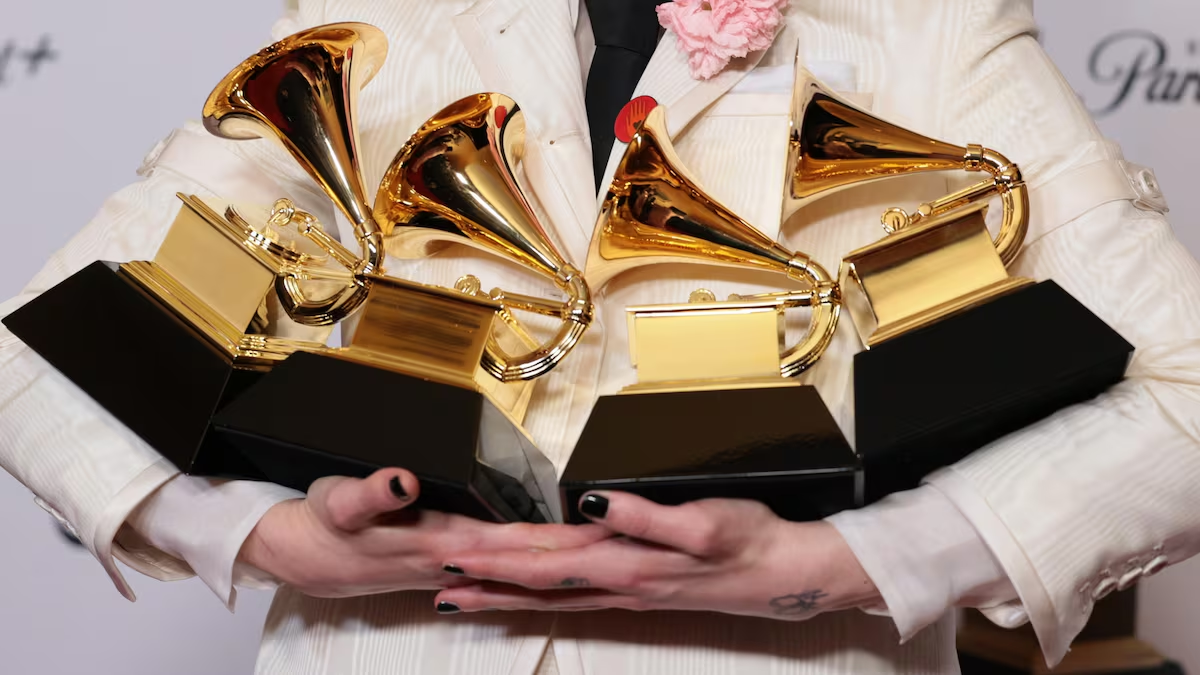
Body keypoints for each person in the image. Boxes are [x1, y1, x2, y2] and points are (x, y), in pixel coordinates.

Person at [3, 1, 1200, 673]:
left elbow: (1189, 395)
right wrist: (258, 537)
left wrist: (843, 566)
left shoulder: (930, 24)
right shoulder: (376, 16)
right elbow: (36, 355)